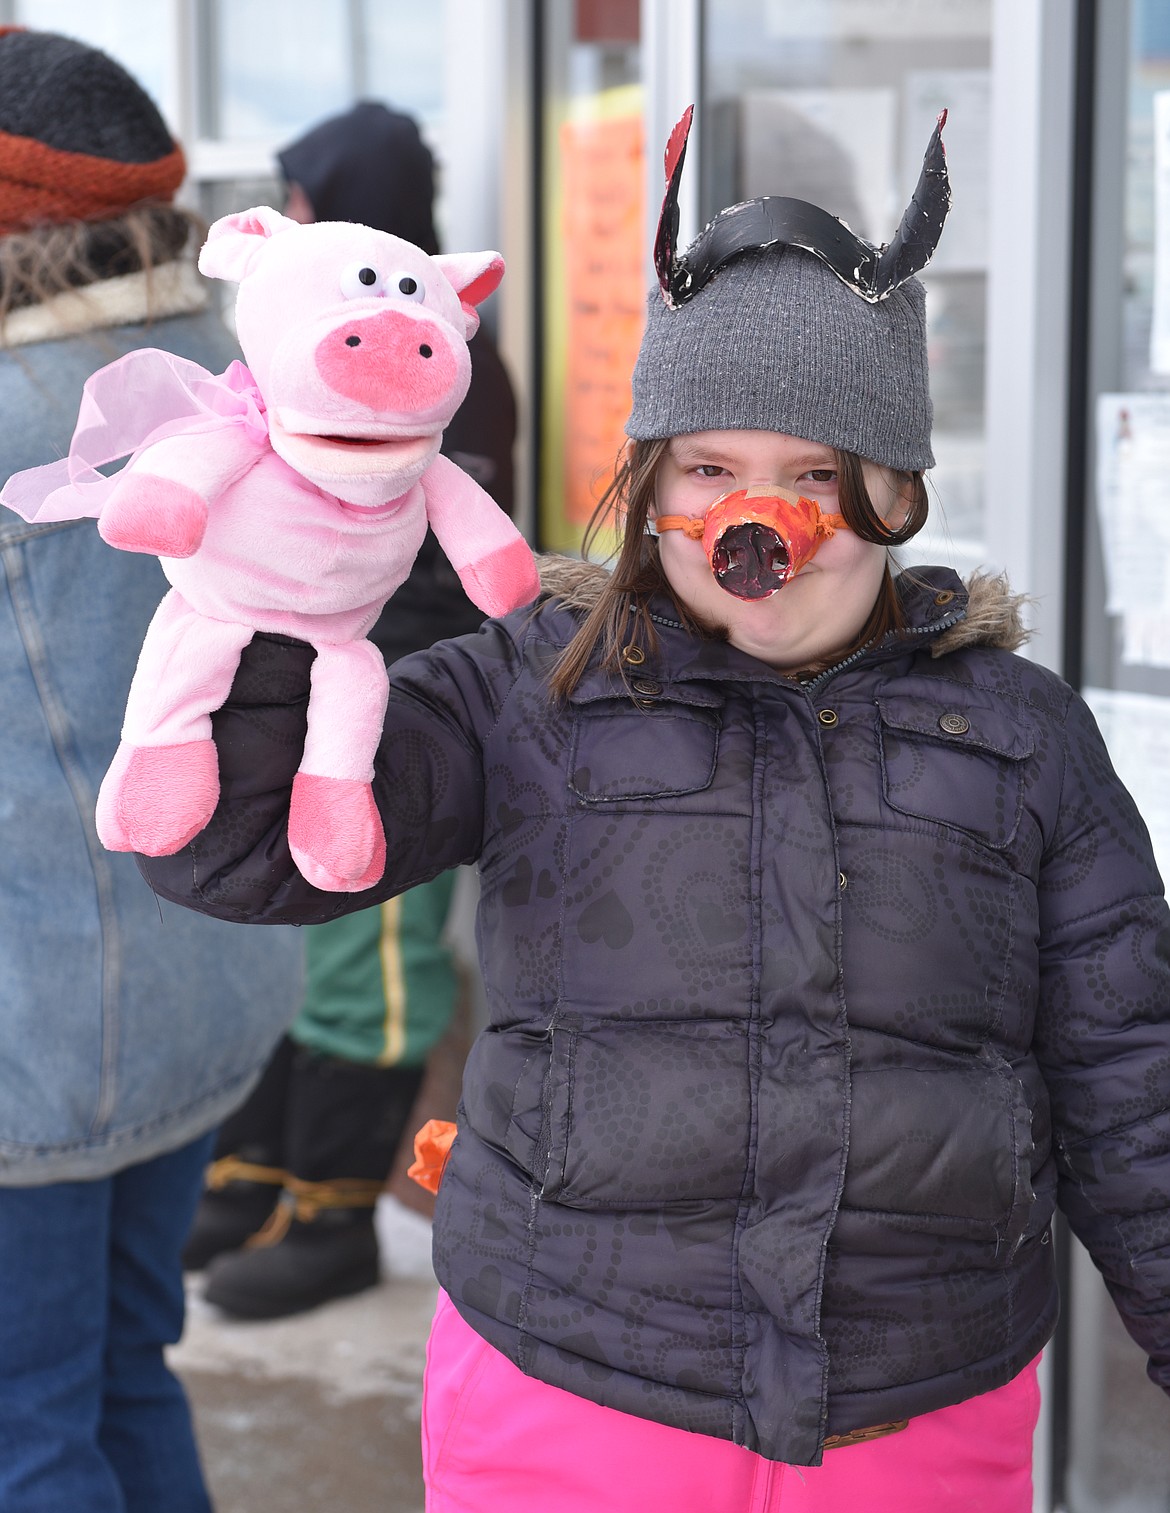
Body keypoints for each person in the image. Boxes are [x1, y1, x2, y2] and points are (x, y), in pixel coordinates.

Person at [136, 111, 1170, 1513]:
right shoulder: (526, 690)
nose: (762, 524)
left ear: (894, 492)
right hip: (569, 1391)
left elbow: (1130, 1082)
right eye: (707, 470)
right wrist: (274, 598)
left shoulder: (1017, 733)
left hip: (919, 1410)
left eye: (815, 473)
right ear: (649, 490)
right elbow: (242, 851)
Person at [0, 28, 304, 1513]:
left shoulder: (18, 419)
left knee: (22, 1425)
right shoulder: (233, 373)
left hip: (28, 1033)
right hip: (202, 977)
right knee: (124, 1366)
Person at [182, 99, 519, 1320]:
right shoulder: (312, 337)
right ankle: (257, 1175)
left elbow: (450, 560)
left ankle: (334, 1214)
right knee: (288, 952)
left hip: (396, 716)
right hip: (291, 701)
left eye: (310, 196)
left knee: (373, 970)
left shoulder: (441, 356)